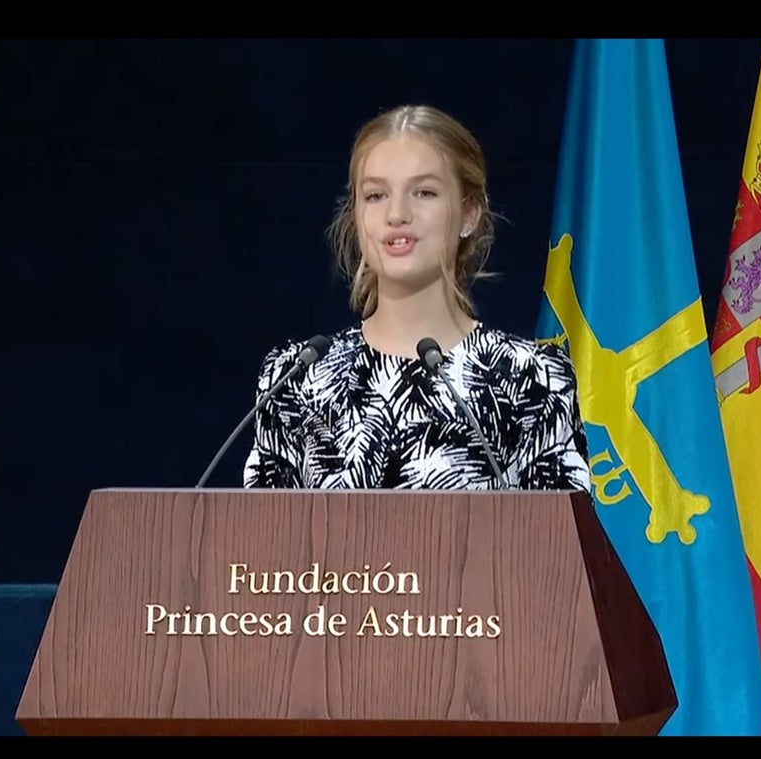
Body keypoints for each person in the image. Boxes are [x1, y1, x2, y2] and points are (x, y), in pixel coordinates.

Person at [243, 104, 591, 492]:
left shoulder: (532, 378)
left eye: (423, 192)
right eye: (375, 195)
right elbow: (262, 546)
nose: (397, 214)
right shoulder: (295, 377)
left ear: (469, 214)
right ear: (356, 216)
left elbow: (560, 547)